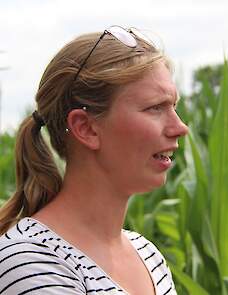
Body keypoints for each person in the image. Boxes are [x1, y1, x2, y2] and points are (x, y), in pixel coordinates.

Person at [0, 26, 188, 294]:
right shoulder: (33, 264)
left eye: (174, 106)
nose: (180, 127)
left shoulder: (147, 256)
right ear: (86, 128)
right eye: (155, 108)